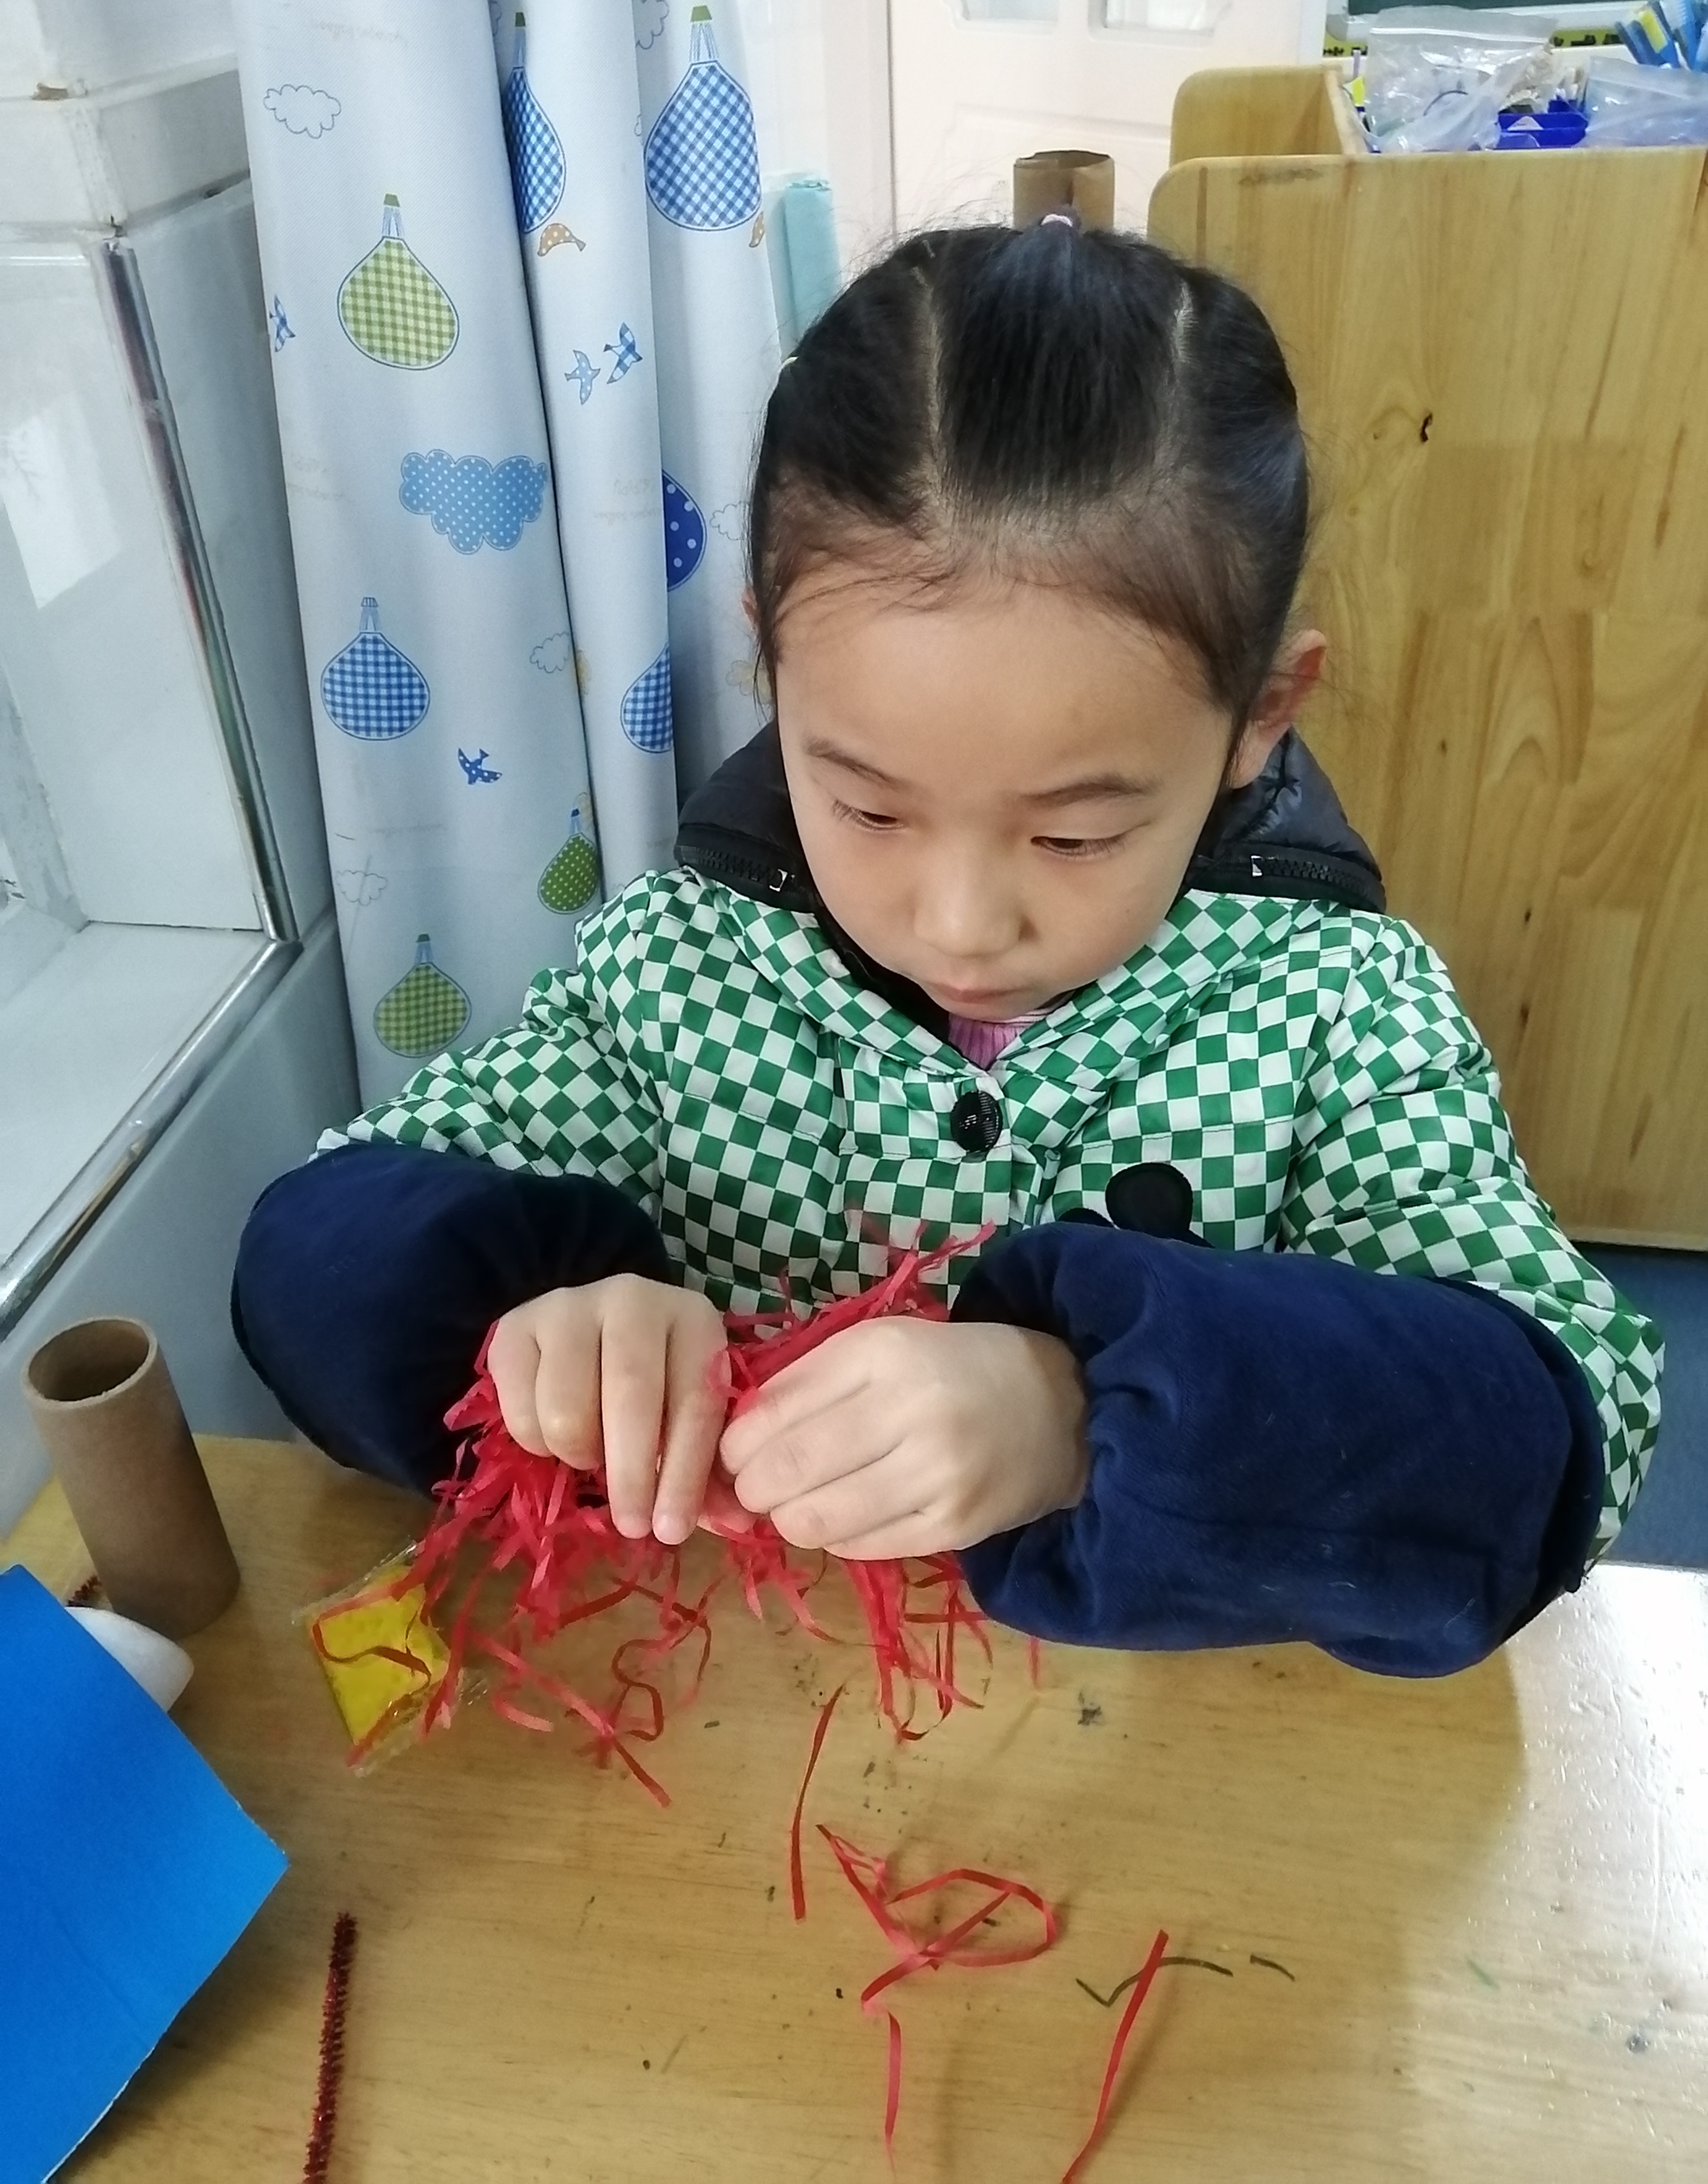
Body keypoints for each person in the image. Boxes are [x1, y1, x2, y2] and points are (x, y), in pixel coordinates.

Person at [234, 220, 1661, 1678]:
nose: (962, 923)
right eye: (869, 807)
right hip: (735, 1709)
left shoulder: (1338, 1013)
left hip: (1159, 1754)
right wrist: (523, 1321)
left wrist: (1086, 1413)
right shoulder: (676, 975)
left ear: (1261, 717)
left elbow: (1564, 1435)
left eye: (1076, 835)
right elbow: (310, 1254)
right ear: (773, 663)